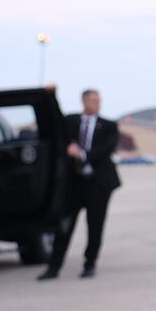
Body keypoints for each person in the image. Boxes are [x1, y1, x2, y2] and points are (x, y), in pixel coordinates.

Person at [39, 88, 121, 280]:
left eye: (99, 100)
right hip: (74, 184)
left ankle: (89, 264)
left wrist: (82, 154)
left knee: (95, 226)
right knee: (64, 226)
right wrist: (51, 95)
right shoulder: (71, 121)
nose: (97, 103)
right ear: (84, 102)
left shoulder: (109, 125)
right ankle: (54, 266)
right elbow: (55, 121)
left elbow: (106, 149)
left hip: (98, 184)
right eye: (93, 100)